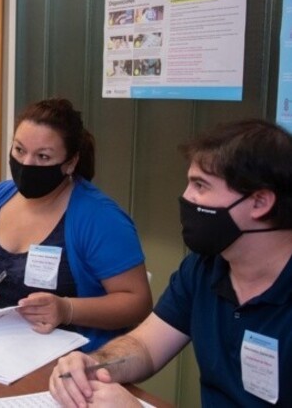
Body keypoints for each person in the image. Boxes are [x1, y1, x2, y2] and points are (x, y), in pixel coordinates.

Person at [49, 119, 292, 407]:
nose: (187, 197)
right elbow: (144, 347)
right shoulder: (203, 268)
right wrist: (94, 364)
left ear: (260, 202)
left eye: (200, 185)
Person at [0, 98, 152, 352]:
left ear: (70, 163)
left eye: (43, 156)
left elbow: (138, 302)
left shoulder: (100, 218)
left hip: (65, 359)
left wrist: (68, 309)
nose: (27, 164)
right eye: (19, 150)